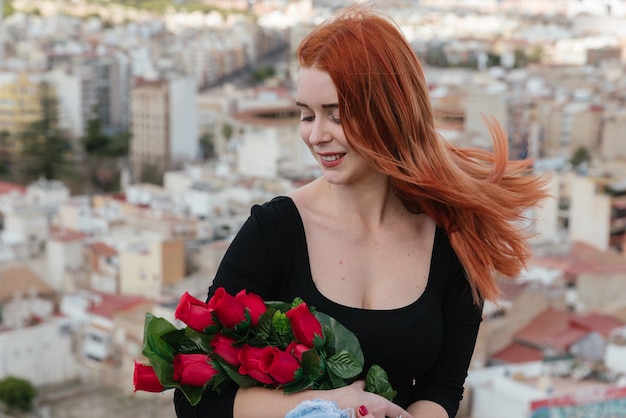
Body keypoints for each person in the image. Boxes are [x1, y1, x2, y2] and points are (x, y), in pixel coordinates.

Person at [174, 5, 549, 418]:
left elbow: (441, 390)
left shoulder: (453, 236)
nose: (316, 136)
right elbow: (195, 399)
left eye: (337, 115)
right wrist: (322, 405)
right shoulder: (273, 232)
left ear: (389, 113)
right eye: (306, 115)